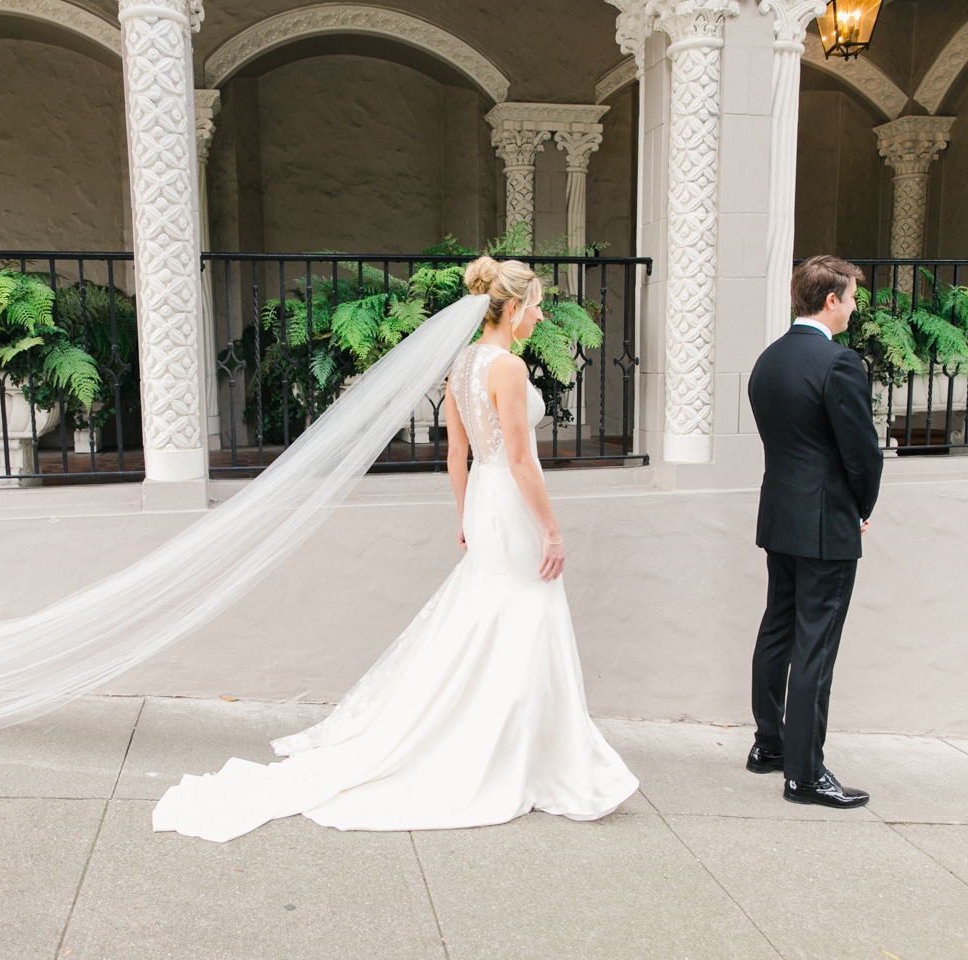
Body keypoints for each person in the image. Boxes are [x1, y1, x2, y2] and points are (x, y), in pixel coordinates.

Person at [151, 257, 638, 842]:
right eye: (535, 304)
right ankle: (528, 756)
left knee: (498, 615)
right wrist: (553, 530)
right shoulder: (505, 366)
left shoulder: (462, 364)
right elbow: (517, 457)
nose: (539, 313)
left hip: (485, 503)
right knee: (526, 613)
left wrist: (465, 517)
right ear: (511, 308)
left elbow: (456, 455)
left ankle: (519, 747)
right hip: (510, 502)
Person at [745, 255, 883, 809]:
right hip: (825, 520)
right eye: (850, 298)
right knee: (815, 643)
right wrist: (861, 506)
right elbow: (861, 451)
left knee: (779, 627)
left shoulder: (768, 361)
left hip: (779, 513)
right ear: (831, 300)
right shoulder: (838, 363)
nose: (853, 307)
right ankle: (804, 774)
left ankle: (769, 745)